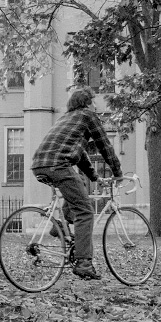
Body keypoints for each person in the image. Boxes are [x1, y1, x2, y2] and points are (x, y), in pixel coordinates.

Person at [32, 87, 124, 280]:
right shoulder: (88, 115)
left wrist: (94, 177)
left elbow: (80, 154)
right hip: (58, 165)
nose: (96, 105)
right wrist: (117, 173)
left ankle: (60, 226)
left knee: (78, 182)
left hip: (39, 165)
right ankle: (83, 263)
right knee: (85, 211)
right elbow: (105, 145)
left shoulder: (66, 118)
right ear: (88, 102)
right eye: (94, 101)